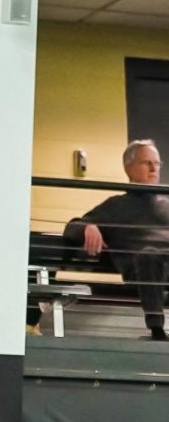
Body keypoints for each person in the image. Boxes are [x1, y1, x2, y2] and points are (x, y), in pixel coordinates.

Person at [64, 140, 169, 341]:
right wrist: (88, 226)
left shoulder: (167, 205)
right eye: (147, 162)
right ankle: (157, 331)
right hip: (142, 269)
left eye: (157, 163)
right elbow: (70, 228)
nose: (154, 168)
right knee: (150, 255)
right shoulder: (116, 206)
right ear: (129, 168)